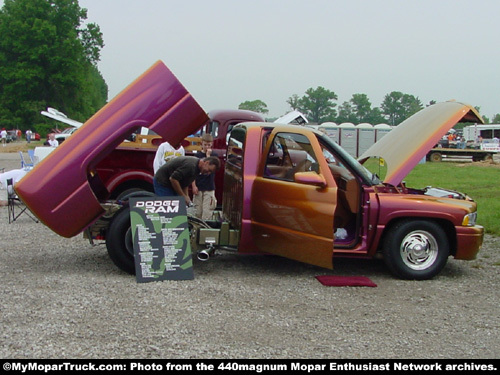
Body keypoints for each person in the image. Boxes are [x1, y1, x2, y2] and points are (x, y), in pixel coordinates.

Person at [154, 156, 220, 206]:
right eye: (209, 170)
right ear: (206, 163)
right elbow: (173, 179)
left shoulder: (197, 169)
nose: (208, 173)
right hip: (162, 182)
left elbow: (185, 183)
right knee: (168, 206)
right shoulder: (191, 166)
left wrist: (187, 197)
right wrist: (183, 196)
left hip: (171, 183)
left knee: (179, 205)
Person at [192, 134, 218, 220]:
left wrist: (208, 156)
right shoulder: (197, 156)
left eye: (209, 145)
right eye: (205, 144)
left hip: (209, 187)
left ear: (212, 144)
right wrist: (194, 185)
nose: (207, 147)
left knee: (207, 212)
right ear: (201, 144)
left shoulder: (214, 156)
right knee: (197, 212)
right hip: (199, 187)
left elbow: (212, 170)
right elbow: (193, 173)